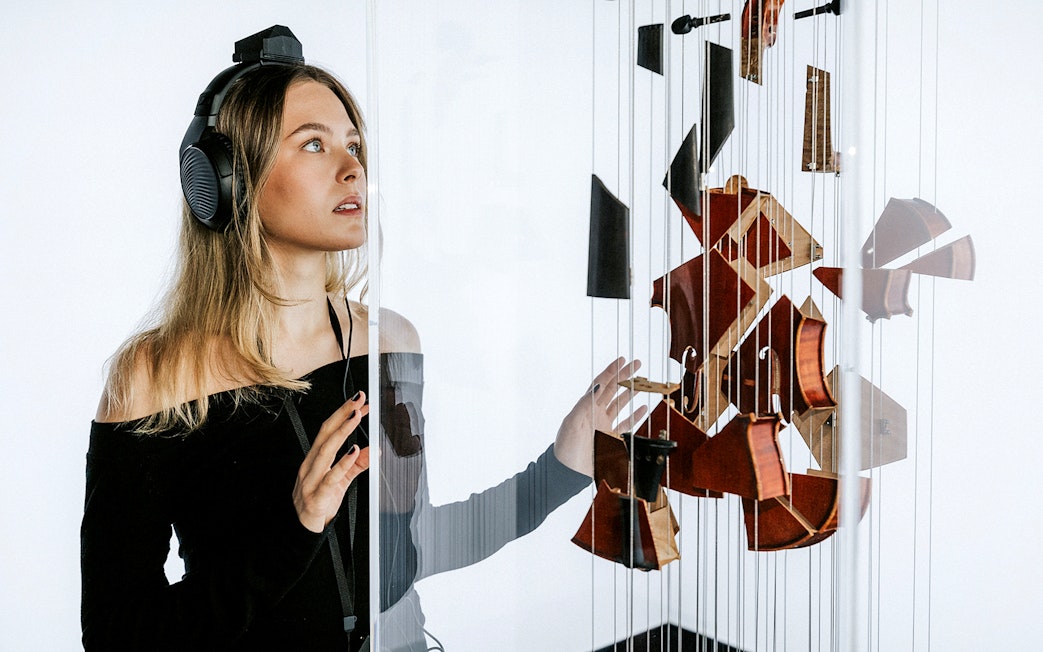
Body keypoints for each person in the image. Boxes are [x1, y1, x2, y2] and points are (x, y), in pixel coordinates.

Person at [80, 26, 644, 652]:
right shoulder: (156, 377)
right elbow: (117, 636)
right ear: (226, 180)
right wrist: (296, 528)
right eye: (314, 144)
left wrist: (561, 468)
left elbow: (412, 550)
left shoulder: (389, 341)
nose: (353, 168)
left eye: (354, 143)